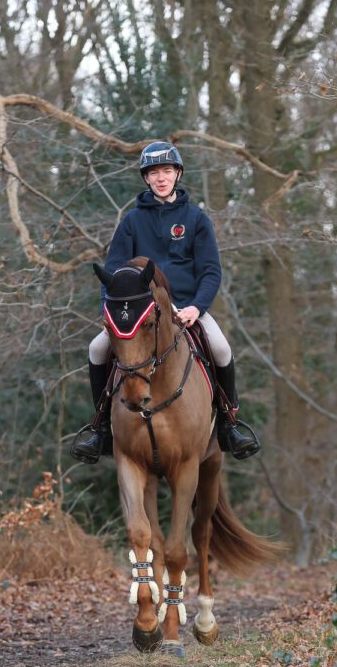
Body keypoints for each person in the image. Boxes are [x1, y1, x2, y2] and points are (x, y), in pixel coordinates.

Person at [70, 141, 260, 463]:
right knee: (96, 349)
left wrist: (196, 308)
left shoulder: (196, 219)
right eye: (154, 172)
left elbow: (211, 272)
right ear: (146, 178)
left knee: (222, 348)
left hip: (186, 310)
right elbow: (114, 273)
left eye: (167, 170)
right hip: (141, 313)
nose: (161, 177)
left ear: (178, 174)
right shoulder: (131, 222)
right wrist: (111, 311)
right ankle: (100, 427)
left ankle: (230, 423)